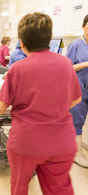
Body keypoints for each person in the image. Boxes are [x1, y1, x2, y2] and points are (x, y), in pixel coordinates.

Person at [0, 12, 82, 195]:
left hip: (26, 143)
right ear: (48, 38)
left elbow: (1, 106)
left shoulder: (17, 69)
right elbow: (77, 98)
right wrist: (54, 109)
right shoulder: (66, 64)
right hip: (61, 142)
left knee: (20, 186)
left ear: (21, 42)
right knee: (59, 189)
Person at [66, 14, 88, 168]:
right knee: (78, 122)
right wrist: (86, 63)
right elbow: (67, 67)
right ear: (84, 26)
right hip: (80, 90)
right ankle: (77, 154)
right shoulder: (76, 45)